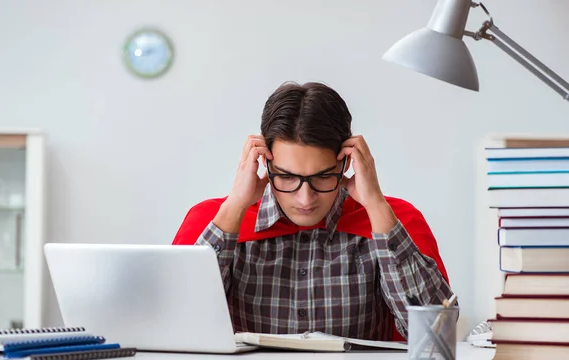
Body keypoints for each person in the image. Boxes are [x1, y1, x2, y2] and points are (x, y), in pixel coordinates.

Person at [173, 82, 454, 341]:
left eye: (322, 177)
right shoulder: (212, 220)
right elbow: (176, 324)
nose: (305, 198)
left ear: (345, 165)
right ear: (264, 164)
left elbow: (436, 334)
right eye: (286, 177)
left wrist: (376, 205)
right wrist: (234, 207)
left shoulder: (393, 220)